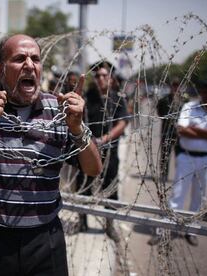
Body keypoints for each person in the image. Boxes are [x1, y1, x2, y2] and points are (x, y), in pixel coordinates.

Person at [0, 34, 102, 276]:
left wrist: (76, 128)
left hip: (44, 240)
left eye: (35, 58)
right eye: (19, 58)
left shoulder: (59, 111)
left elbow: (93, 169)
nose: (29, 65)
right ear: (0, 70)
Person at [149, 80, 207, 246]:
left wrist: (196, 129)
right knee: (177, 194)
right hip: (186, 156)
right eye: (205, 91)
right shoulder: (189, 107)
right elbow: (182, 129)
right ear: (201, 92)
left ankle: (191, 229)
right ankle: (164, 228)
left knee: (199, 196)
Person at [76, 61, 129, 241]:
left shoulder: (118, 99)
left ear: (111, 78)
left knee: (111, 189)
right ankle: (82, 220)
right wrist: (89, 141)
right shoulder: (88, 97)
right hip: (87, 150)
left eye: (104, 75)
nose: (100, 79)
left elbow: (122, 123)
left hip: (109, 151)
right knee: (83, 186)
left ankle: (110, 225)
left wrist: (104, 139)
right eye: (97, 76)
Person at [156, 78, 183, 182]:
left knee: (179, 155)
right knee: (165, 154)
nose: (175, 88)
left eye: (177, 86)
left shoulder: (183, 101)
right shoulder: (164, 100)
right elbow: (159, 112)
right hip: (166, 131)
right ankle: (163, 174)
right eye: (174, 85)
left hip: (179, 133)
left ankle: (179, 175)